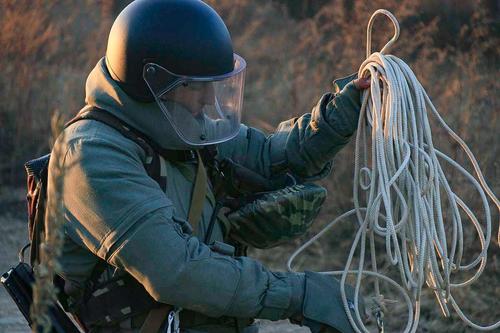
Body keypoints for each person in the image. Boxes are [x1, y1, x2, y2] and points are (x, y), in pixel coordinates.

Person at [46, 0, 371, 332]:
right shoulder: (90, 155)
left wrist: (345, 110)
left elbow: (275, 157)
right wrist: (299, 295)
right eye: (195, 86)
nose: (208, 100)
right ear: (152, 82)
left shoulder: (180, 124)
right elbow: (177, 271)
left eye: (213, 85)